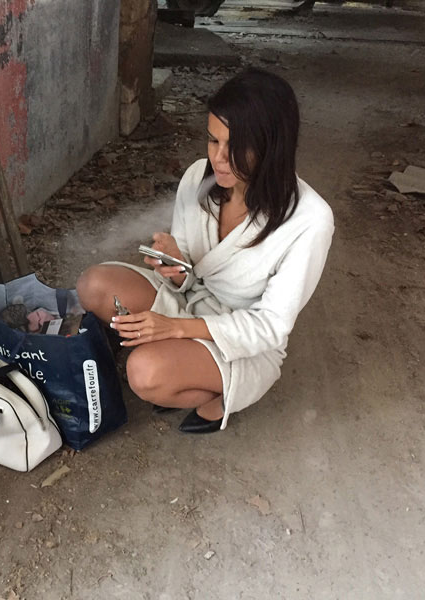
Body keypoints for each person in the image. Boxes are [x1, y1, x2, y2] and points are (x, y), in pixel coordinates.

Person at [76, 67, 335, 434]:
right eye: (213, 140)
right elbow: (191, 273)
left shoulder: (310, 220)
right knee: (93, 285)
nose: (219, 158)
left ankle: (218, 395)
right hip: (190, 300)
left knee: (144, 371)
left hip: (242, 338)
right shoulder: (199, 175)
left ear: (272, 146)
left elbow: (269, 327)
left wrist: (175, 328)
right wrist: (177, 266)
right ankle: (178, 360)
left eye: (236, 146)